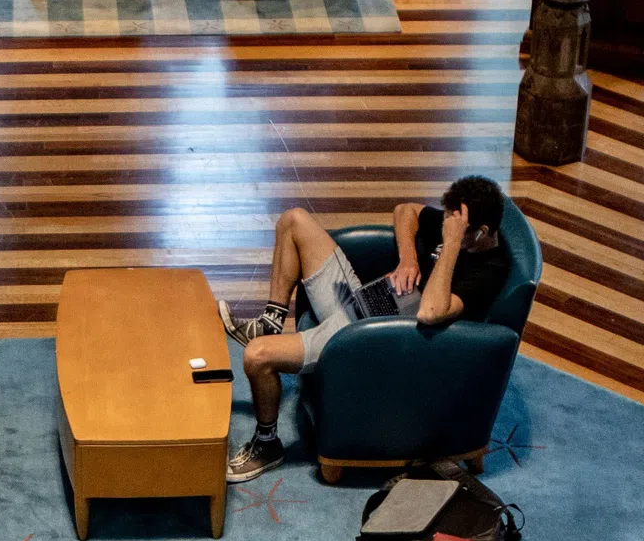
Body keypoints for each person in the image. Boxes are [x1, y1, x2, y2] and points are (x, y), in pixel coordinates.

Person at [220, 174, 516, 484]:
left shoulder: (489, 271)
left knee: (257, 357)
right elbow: (406, 210)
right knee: (293, 220)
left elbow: (430, 313)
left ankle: (267, 444)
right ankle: (270, 323)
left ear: (482, 233)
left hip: (369, 339)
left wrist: (452, 245)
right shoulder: (456, 223)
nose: (445, 229)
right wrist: (408, 259)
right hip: (368, 303)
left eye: (454, 230)